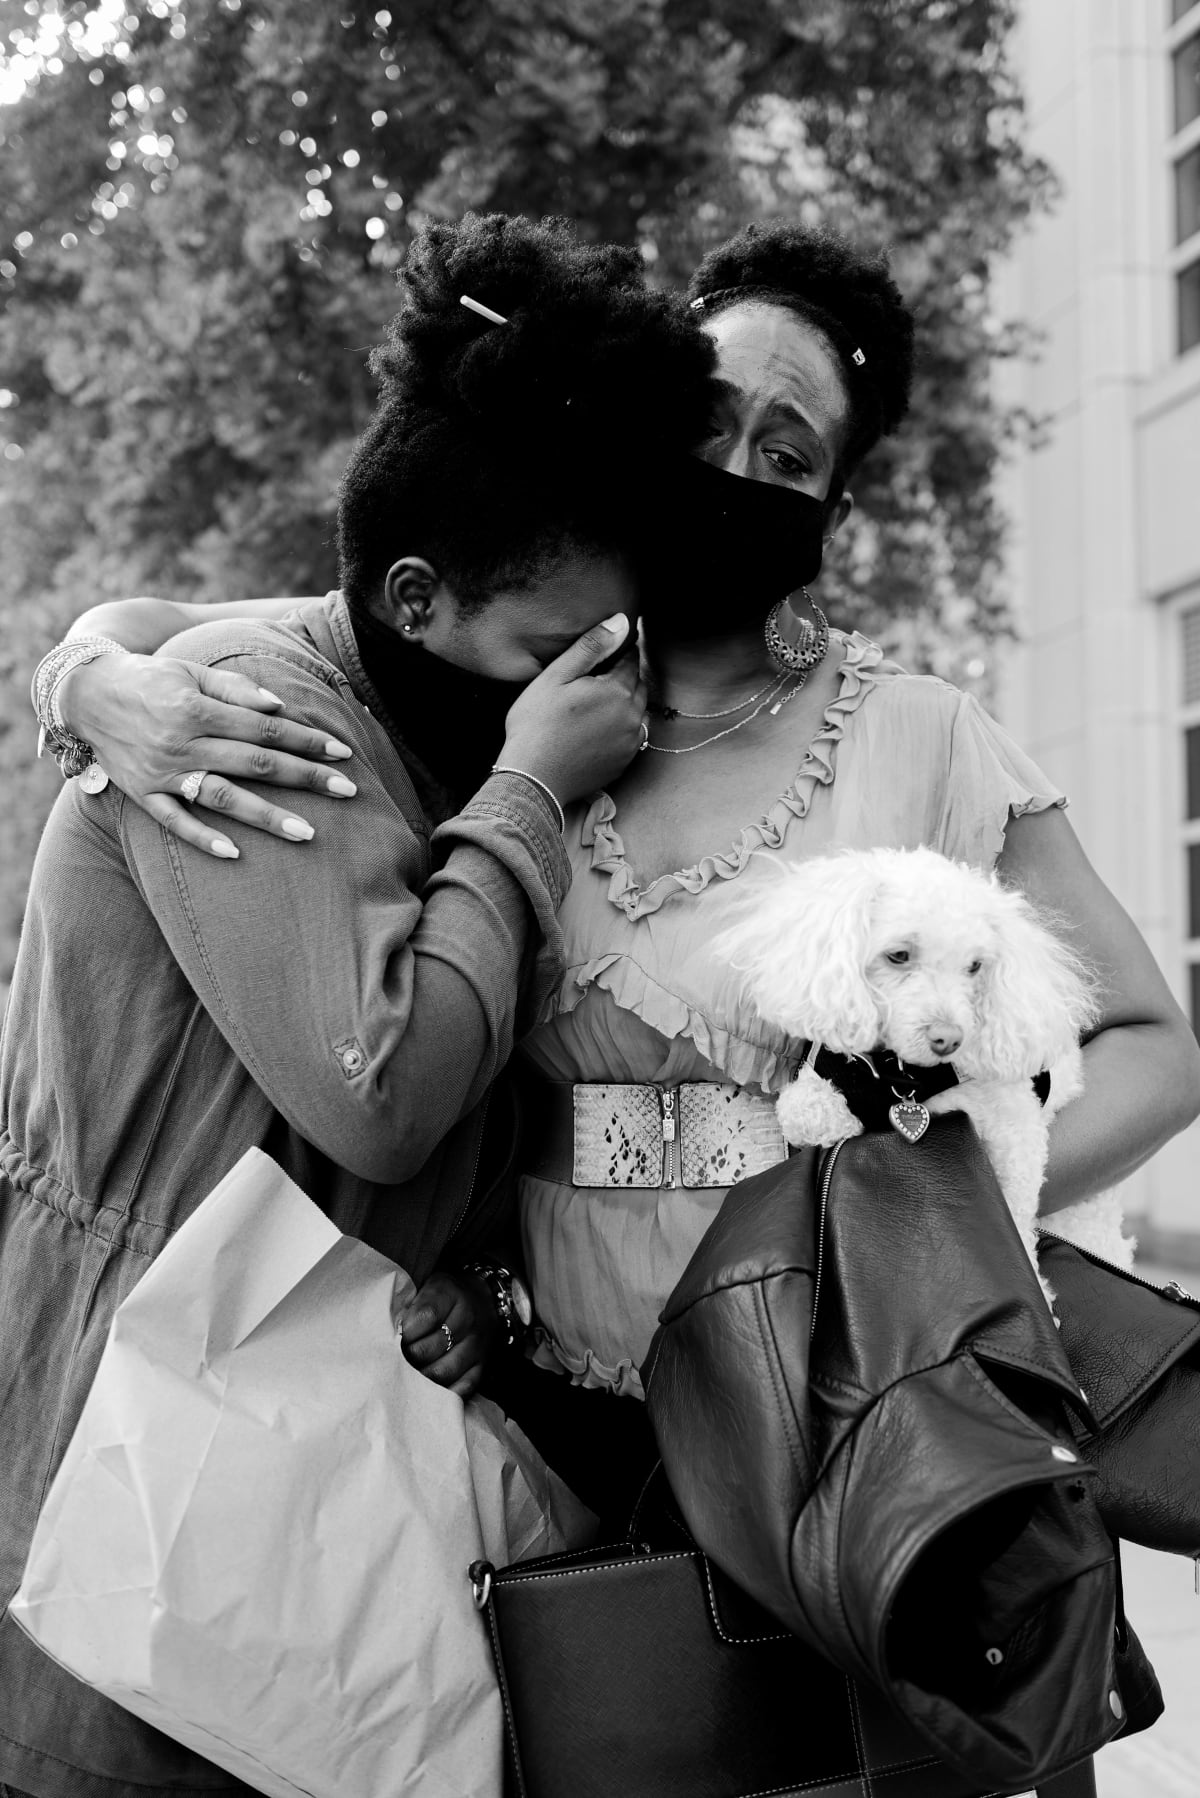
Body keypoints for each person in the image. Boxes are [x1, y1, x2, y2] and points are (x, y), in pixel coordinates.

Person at [43, 219, 1200, 1798]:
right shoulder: (521, 700)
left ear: (833, 504)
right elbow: (209, 629)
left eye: (787, 451)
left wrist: (915, 1209)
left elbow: (1151, 1046)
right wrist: (83, 676)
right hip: (556, 1438)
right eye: (706, 423)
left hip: (850, 1418)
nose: (734, 468)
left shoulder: (919, 732)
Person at [0, 212, 720, 1798]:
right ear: (413, 598)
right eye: (551, 654)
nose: (588, 696)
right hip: (129, 1472)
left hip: (289, 1479)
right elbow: (378, 1093)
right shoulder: (263, 722)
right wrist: (531, 787)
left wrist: (476, 1282)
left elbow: (473, 1121)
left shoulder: (395, 718)